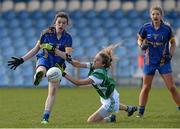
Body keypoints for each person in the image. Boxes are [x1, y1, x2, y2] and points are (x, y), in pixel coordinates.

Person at [41, 43, 137, 123]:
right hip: (109, 94)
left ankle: (110, 119)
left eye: (97, 60)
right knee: (114, 103)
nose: (94, 61)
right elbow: (77, 64)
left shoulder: (99, 75)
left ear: (103, 64)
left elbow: (78, 83)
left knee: (91, 121)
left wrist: (62, 73)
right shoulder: (95, 66)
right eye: (94, 58)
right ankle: (129, 108)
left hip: (110, 99)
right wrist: (65, 57)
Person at [8, 12, 73, 124]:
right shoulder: (46, 33)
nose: (61, 24)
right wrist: (21, 60)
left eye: (64, 23)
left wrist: (55, 50)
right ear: (55, 23)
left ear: (67, 25)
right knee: (42, 68)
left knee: (52, 92)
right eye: (59, 22)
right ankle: (39, 75)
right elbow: (36, 49)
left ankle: (45, 118)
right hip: (46, 58)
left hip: (58, 65)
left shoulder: (68, 38)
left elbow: (68, 57)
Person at [137, 6, 180, 117]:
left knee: (171, 87)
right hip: (149, 61)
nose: (155, 16)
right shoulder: (145, 27)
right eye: (153, 14)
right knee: (146, 87)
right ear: (150, 15)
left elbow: (173, 43)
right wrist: (141, 44)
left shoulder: (167, 28)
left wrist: (170, 54)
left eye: (157, 14)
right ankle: (140, 113)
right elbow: (139, 39)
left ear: (161, 16)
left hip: (163, 62)